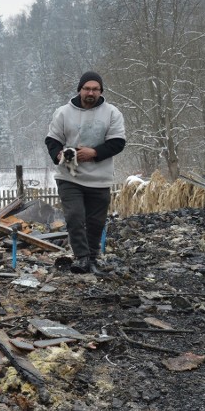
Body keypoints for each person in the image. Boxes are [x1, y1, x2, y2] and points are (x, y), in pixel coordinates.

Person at [46, 71, 125, 273]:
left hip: (100, 178)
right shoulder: (63, 112)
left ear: (101, 91)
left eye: (95, 89)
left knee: (96, 221)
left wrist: (95, 152)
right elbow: (52, 140)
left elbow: (117, 142)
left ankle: (93, 258)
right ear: (80, 90)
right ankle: (81, 257)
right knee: (74, 216)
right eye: (87, 88)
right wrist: (59, 156)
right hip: (69, 176)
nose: (91, 92)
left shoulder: (112, 113)